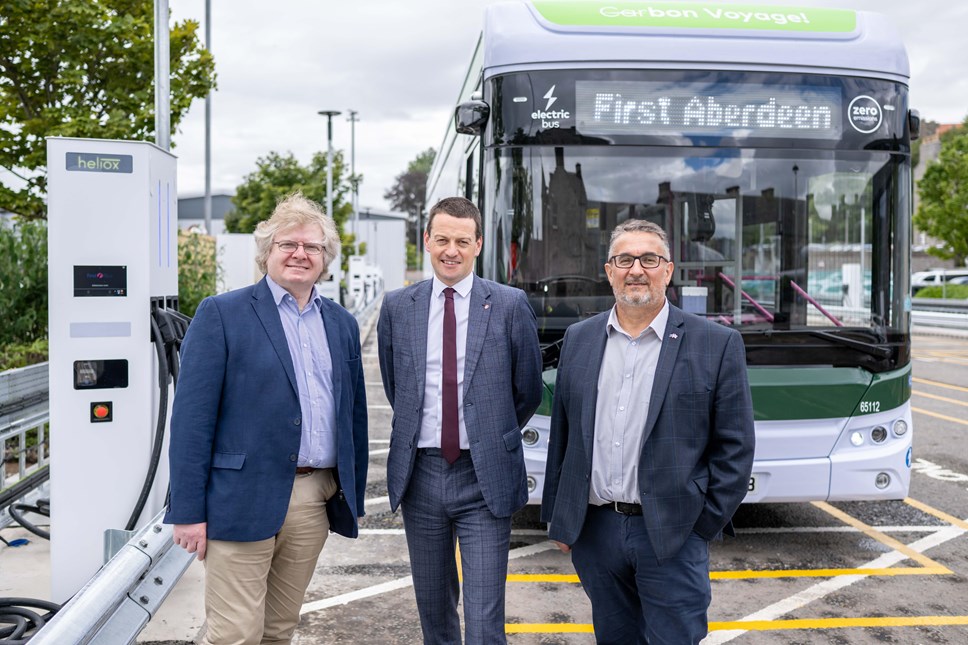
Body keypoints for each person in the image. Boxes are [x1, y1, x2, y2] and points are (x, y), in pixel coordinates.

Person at [165, 193, 368, 645]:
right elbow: (191, 421)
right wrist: (188, 512)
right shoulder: (222, 314)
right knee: (234, 632)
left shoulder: (341, 323)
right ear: (266, 253)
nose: (300, 254)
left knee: (279, 628)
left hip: (313, 496)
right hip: (239, 497)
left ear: (325, 258)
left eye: (312, 247)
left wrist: (345, 488)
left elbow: (353, 413)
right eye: (288, 244)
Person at [541, 219, 755, 644]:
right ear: (609, 270)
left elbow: (735, 448)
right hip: (596, 531)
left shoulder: (716, 344)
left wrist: (700, 526)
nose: (636, 269)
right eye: (624, 259)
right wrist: (560, 520)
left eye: (649, 259)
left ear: (669, 270)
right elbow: (563, 438)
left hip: (672, 533)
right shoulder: (580, 339)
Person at [377, 196, 542, 644]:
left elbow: (526, 388)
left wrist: (490, 431)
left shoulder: (508, 304)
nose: (452, 250)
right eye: (443, 239)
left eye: (463, 241)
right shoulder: (397, 307)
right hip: (421, 476)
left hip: (483, 476)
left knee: (486, 621)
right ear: (427, 241)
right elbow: (398, 389)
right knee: (435, 613)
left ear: (478, 245)